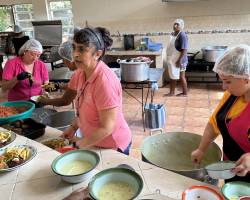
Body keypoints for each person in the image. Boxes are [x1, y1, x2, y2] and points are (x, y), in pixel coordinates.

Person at [62, 27, 132, 155]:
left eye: (82, 49)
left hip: (112, 146)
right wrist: (73, 128)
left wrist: (78, 145)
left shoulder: (104, 82)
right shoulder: (80, 73)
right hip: (94, 142)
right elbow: (84, 109)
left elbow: (107, 128)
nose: (75, 54)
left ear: (97, 54)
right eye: (74, 47)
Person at [191, 44, 250, 182]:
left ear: (246, 78)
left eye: (228, 82)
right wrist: (201, 149)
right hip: (232, 168)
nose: (224, 87)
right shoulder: (231, 95)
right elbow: (214, 124)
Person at [39, 40, 78, 106]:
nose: (63, 62)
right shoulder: (80, 71)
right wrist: (57, 86)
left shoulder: (80, 74)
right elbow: (71, 86)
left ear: (70, 59)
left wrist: (44, 101)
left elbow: (64, 101)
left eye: (63, 59)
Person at [166, 18, 188, 96]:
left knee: (182, 76)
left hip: (180, 59)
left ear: (181, 26)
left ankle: (185, 93)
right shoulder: (173, 34)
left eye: (177, 24)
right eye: (174, 24)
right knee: (172, 76)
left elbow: (184, 49)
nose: (175, 26)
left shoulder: (182, 35)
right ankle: (172, 92)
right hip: (172, 59)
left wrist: (180, 60)